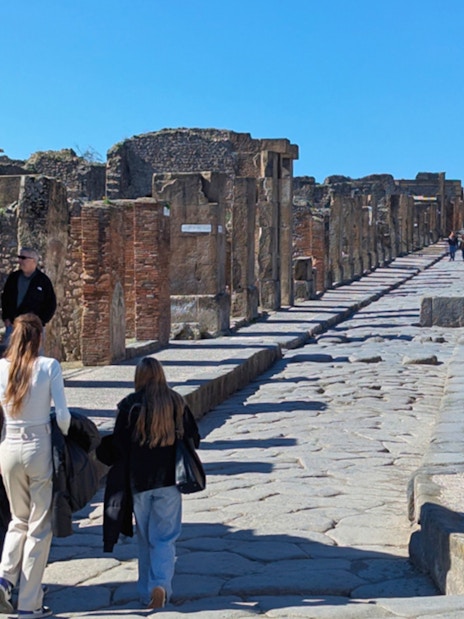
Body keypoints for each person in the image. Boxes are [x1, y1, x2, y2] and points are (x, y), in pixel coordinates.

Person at [96, 357, 200, 610]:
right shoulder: (176, 401)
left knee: (145, 539)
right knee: (165, 538)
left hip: (138, 483)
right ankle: (161, 585)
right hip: (170, 481)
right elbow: (194, 438)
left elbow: (118, 446)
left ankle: (145, 593)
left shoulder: (130, 405)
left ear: (139, 377)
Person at [0, 313, 71, 619]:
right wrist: (65, 434)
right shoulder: (48, 366)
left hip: (8, 447)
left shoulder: (1, 368)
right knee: (39, 526)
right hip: (38, 445)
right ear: (40, 336)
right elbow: (64, 417)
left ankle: (4, 579)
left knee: (17, 519)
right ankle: (29, 603)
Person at [1, 248, 56, 345]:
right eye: (19, 257)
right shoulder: (13, 278)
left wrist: (40, 322)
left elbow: (51, 303)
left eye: (23, 258)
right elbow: (5, 298)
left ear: (33, 261)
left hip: (34, 328)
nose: (20, 261)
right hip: (13, 326)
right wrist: (6, 318)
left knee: (33, 357)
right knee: (10, 356)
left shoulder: (43, 281)